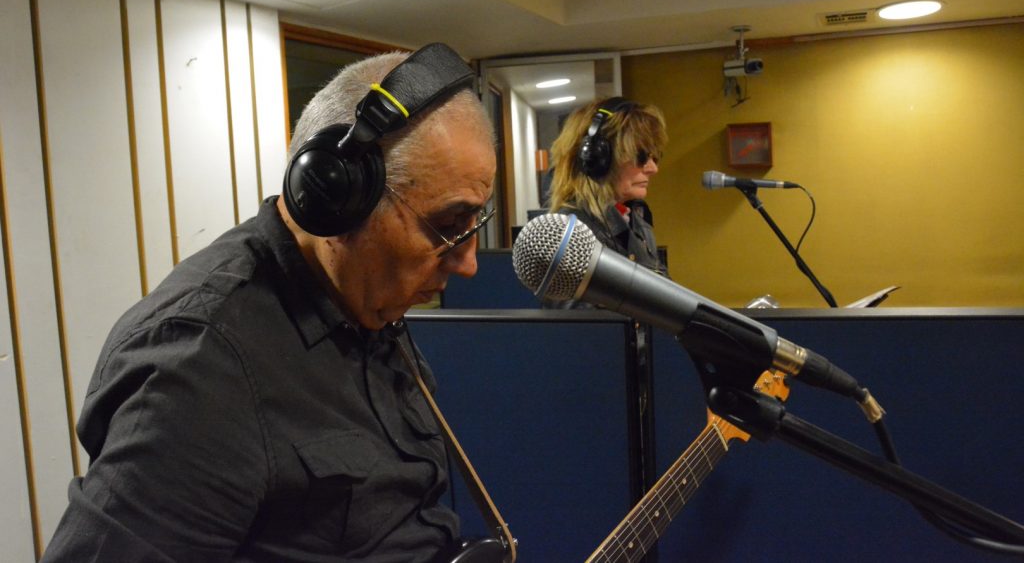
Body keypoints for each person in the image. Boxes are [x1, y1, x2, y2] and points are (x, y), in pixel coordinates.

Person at [42, 44, 498, 562]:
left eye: (475, 223)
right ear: (338, 197)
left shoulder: (365, 301)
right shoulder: (202, 365)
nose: (467, 263)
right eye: (448, 226)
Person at [545, 96, 668, 307]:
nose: (653, 168)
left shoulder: (637, 221)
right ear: (597, 158)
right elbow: (586, 324)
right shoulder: (568, 238)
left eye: (654, 157)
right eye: (640, 157)